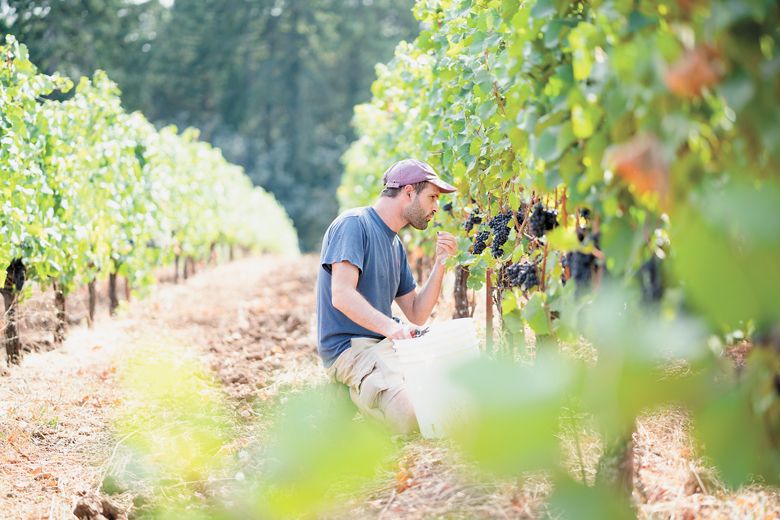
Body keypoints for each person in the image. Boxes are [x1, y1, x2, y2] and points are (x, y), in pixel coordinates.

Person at [316, 158, 458, 434]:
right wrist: (395, 330)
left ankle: (360, 393)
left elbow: (416, 312)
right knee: (413, 421)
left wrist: (441, 262)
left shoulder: (395, 246)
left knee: (446, 405)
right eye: (432, 197)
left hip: (386, 346)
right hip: (351, 348)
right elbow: (341, 295)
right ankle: (348, 391)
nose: (435, 207)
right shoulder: (354, 225)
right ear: (408, 193)